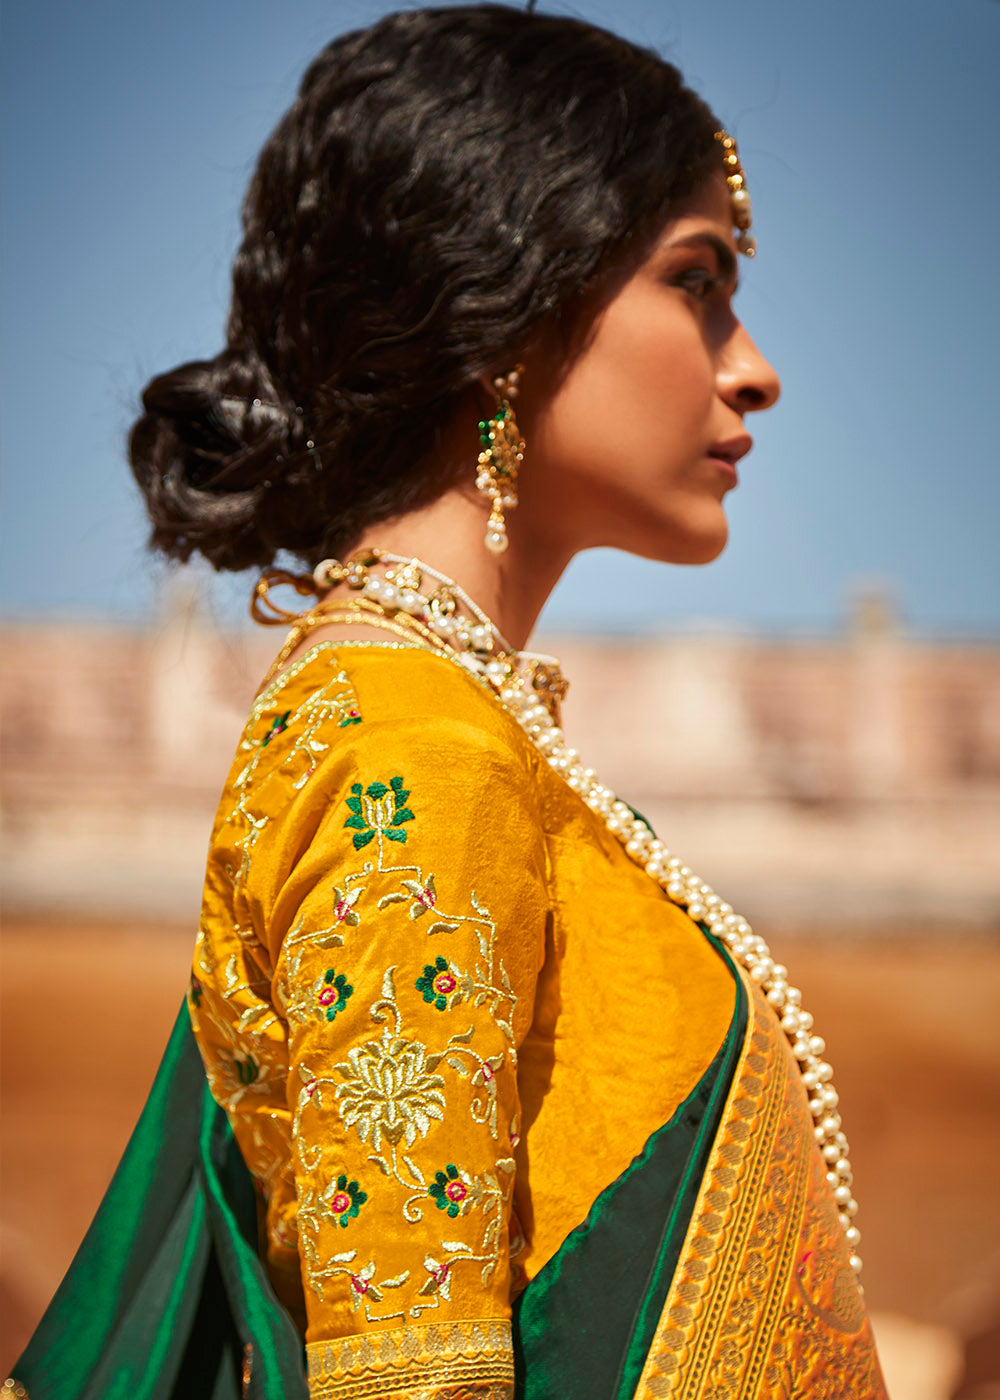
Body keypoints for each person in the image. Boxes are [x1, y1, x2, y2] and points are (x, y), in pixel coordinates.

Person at [9, 5, 888, 1397]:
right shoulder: (412, 744)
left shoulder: (436, 724)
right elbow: (414, 1376)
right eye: (698, 279)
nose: (751, 364)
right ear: (510, 306)